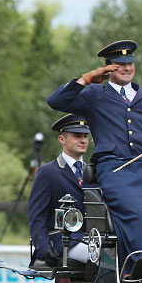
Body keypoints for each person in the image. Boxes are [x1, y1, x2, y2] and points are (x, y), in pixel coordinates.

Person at [46, 39, 142, 275]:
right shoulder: (93, 94)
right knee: (139, 213)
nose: (126, 68)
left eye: (130, 63)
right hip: (114, 170)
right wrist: (87, 78)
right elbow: (56, 101)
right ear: (108, 68)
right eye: (120, 65)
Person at [27, 114, 90, 266]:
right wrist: (44, 248)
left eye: (85, 136)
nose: (83, 140)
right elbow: (37, 217)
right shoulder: (48, 172)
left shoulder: (94, 171)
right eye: (77, 136)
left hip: (93, 239)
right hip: (64, 241)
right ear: (62, 139)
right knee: (101, 257)